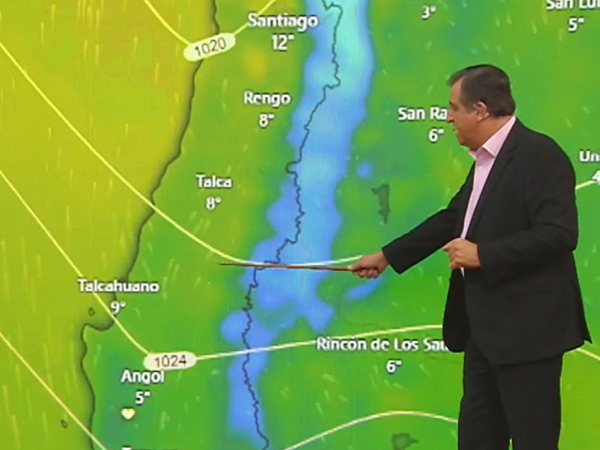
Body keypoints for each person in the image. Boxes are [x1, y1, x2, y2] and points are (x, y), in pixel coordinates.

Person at [348, 64, 592, 450]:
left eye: (453, 108)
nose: (448, 118)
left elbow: (560, 234)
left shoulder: (540, 156)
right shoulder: (485, 161)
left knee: (533, 441)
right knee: (478, 439)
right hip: (484, 331)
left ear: (480, 110)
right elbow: (454, 219)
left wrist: (483, 255)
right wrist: (387, 256)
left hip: (529, 334)